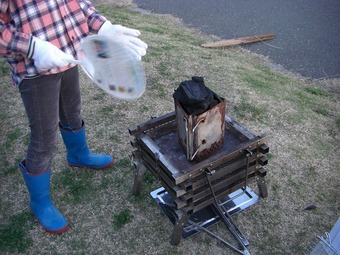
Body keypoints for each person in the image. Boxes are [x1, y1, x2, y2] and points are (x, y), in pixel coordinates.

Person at [0, 0, 147, 234]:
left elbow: (77, 3)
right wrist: (34, 48)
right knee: (44, 137)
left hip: (68, 54)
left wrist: (104, 26)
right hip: (35, 68)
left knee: (72, 111)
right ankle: (40, 201)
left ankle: (78, 155)